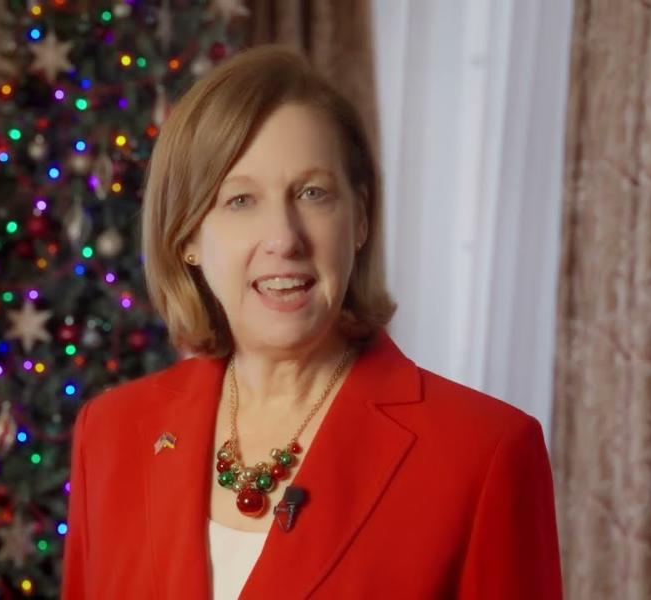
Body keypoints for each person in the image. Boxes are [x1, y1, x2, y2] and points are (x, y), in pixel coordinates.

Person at [60, 44, 563, 599]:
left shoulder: (485, 454)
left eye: (312, 193)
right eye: (240, 200)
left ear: (360, 219)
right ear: (187, 237)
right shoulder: (109, 434)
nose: (283, 238)